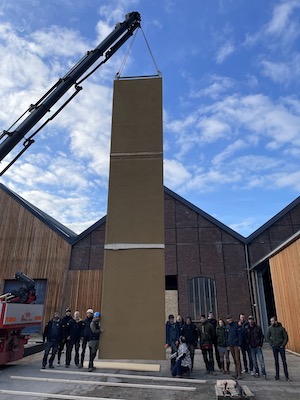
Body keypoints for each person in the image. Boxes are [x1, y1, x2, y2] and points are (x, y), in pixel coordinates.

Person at [267, 316, 290, 382]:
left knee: (284, 361)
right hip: (275, 347)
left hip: (281, 347)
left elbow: (286, 337)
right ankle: (277, 376)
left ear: (276, 321)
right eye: (271, 321)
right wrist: (272, 344)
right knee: (276, 361)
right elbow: (267, 336)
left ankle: (287, 376)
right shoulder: (270, 328)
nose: (271, 322)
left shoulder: (281, 328)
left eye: (272, 321)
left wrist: (283, 345)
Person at [245, 315, 266, 379]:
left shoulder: (258, 327)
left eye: (252, 319)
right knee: (254, 361)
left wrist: (260, 344)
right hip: (251, 347)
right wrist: (248, 344)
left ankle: (264, 373)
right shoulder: (247, 328)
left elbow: (261, 336)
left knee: (261, 361)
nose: (251, 321)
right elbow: (246, 337)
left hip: (258, 346)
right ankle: (257, 372)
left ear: (254, 320)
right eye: (249, 320)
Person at [226, 315, 242, 380]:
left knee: (237, 359)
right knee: (234, 359)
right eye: (228, 319)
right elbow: (226, 337)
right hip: (230, 345)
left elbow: (240, 336)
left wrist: (239, 345)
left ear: (232, 319)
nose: (229, 320)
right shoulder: (227, 327)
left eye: (230, 318)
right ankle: (236, 372)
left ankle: (239, 373)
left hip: (236, 345)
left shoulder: (236, 326)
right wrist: (227, 345)